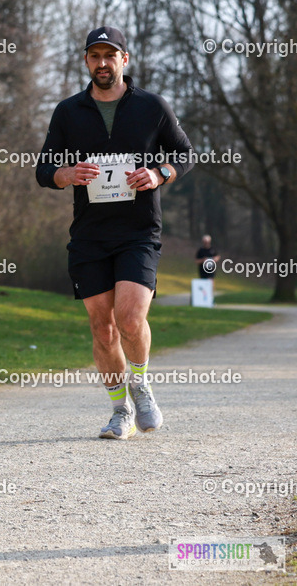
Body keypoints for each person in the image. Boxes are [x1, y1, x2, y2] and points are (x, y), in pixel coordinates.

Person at [36, 26, 194, 440]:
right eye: (95, 56)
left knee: (129, 316)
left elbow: (184, 153)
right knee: (102, 327)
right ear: (86, 62)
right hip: (89, 235)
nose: (102, 64)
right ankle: (119, 410)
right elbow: (43, 170)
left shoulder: (151, 106)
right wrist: (67, 174)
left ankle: (140, 385)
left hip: (139, 231)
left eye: (110, 55)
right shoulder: (68, 111)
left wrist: (159, 173)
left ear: (125, 59)